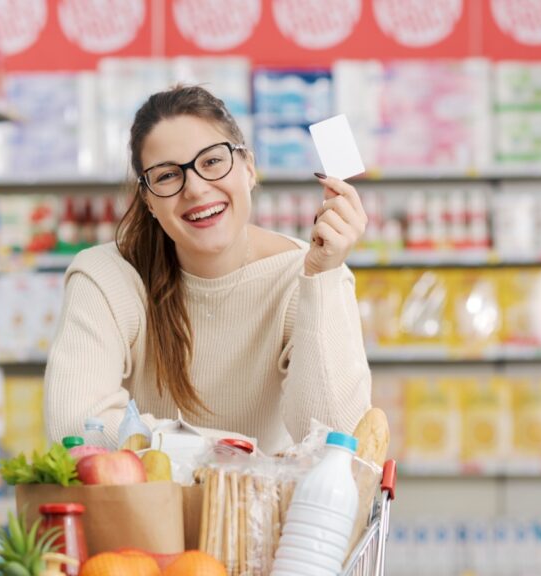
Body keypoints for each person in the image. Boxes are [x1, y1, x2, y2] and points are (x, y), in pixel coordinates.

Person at [44, 85, 371, 455]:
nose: (196, 189)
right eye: (167, 175)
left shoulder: (308, 277)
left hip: (263, 512)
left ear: (249, 168)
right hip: (145, 512)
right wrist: (230, 449)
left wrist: (322, 276)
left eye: (212, 161)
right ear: (148, 200)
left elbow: (335, 441)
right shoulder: (106, 276)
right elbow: (75, 426)